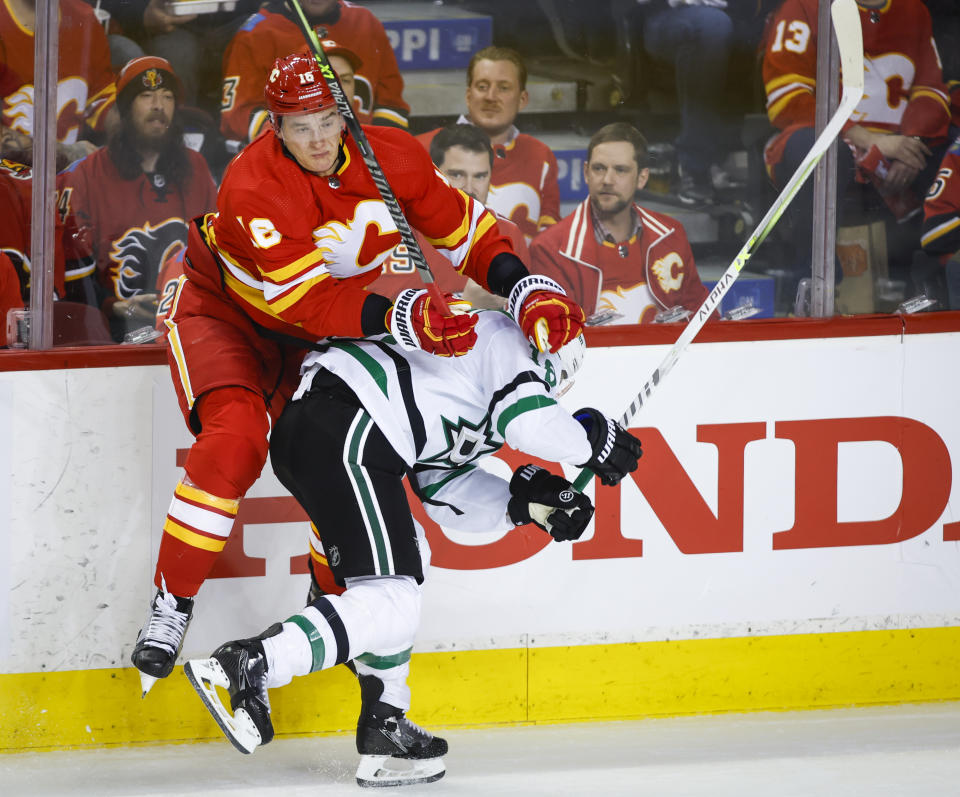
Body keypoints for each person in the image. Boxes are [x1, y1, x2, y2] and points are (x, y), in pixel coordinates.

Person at [130, 51, 584, 696]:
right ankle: (172, 602)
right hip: (224, 310)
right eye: (298, 126)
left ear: (344, 115)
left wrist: (524, 288)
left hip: (323, 328)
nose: (315, 139)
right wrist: (402, 313)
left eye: (325, 120)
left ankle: (329, 602)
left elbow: (467, 231)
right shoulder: (252, 186)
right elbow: (303, 304)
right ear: (273, 127)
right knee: (236, 441)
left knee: (333, 458)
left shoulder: (390, 154)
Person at [183, 309, 642, 786]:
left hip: (332, 428)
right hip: (346, 425)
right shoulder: (503, 336)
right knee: (392, 597)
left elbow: (443, 488)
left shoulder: (470, 387)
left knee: (411, 557)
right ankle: (255, 660)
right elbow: (532, 424)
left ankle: (385, 718)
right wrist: (592, 446)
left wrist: (527, 504)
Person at [762, 0, 951, 294]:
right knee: (816, 152)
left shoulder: (914, 10)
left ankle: (939, 286)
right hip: (831, 141)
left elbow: (931, 90)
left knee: (952, 151)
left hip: (898, 149)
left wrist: (912, 143)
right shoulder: (805, 6)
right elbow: (788, 97)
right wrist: (864, 137)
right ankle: (816, 290)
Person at [57, 57, 218, 342]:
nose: (159, 105)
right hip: (113, 331)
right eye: (147, 96)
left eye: (167, 97)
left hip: (188, 326)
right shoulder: (85, 176)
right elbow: (75, 278)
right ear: (124, 109)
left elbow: (216, 254)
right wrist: (115, 306)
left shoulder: (196, 168)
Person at [529, 122, 709, 324]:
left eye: (620, 170)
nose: (607, 179)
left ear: (642, 178)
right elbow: (559, 339)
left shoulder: (671, 233)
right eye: (599, 168)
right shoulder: (549, 249)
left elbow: (702, 319)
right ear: (586, 173)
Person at [369, 123, 529, 309]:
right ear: (432, 174)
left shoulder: (507, 233)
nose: (469, 188)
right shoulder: (387, 230)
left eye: (480, 176)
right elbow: (374, 319)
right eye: (457, 175)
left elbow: (523, 322)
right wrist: (468, 305)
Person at [416, 46, 560, 243]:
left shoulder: (540, 156)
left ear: (523, 99)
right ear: (468, 95)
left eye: (503, 88)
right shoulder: (421, 148)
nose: (491, 97)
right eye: (482, 87)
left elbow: (548, 244)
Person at [219, 0, 410, 146]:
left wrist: (378, 148)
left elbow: (391, 105)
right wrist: (300, 142)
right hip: (291, 159)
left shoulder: (366, 23)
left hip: (364, 156)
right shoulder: (257, 33)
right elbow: (238, 116)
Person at [1, 0, 116, 165]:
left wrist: (131, 131)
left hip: (69, 176)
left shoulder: (84, 17)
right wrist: (61, 152)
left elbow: (101, 96)